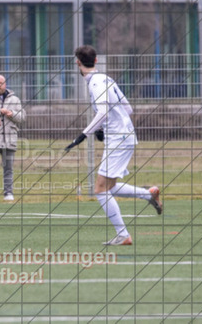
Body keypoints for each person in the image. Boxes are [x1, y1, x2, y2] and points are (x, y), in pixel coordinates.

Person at [65, 45, 162, 246]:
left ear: (77, 62)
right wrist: (103, 128)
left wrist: (84, 135)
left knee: (100, 189)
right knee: (110, 186)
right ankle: (148, 194)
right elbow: (128, 108)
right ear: (96, 60)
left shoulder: (95, 83)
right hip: (122, 136)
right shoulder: (106, 78)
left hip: (119, 138)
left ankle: (123, 235)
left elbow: (103, 112)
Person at [0, 75, 26, 202]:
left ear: (5, 84)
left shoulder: (15, 99)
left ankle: (8, 193)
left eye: (1, 83)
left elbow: (22, 117)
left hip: (9, 140)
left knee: (8, 169)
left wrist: (10, 113)